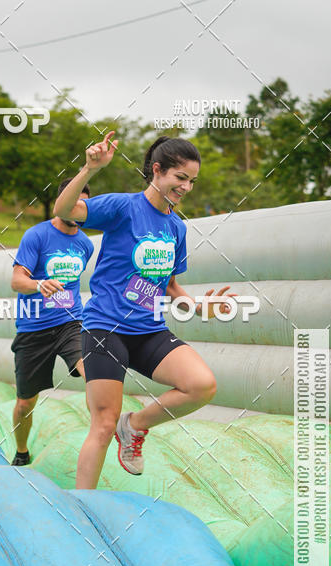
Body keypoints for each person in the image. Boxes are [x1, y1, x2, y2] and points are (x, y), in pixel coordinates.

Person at [53, 132, 235, 490]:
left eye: (192, 181)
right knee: (103, 424)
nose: (186, 187)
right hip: (105, 328)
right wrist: (89, 169)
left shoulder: (176, 228)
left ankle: (135, 426)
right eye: (180, 178)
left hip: (148, 330)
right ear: (157, 170)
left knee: (202, 385)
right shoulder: (124, 208)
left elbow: (168, 286)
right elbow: (63, 210)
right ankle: (81, 506)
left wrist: (199, 306)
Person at [9, 178, 95, 466]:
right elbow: (17, 280)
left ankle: (103, 435)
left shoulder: (85, 245)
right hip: (33, 328)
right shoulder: (37, 236)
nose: (77, 210)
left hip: (71, 321)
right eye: (73, 203)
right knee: (25, 403)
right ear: (62, 204)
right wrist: (39, 284)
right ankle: (22, 451)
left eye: (82, 205)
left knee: (92, 371)